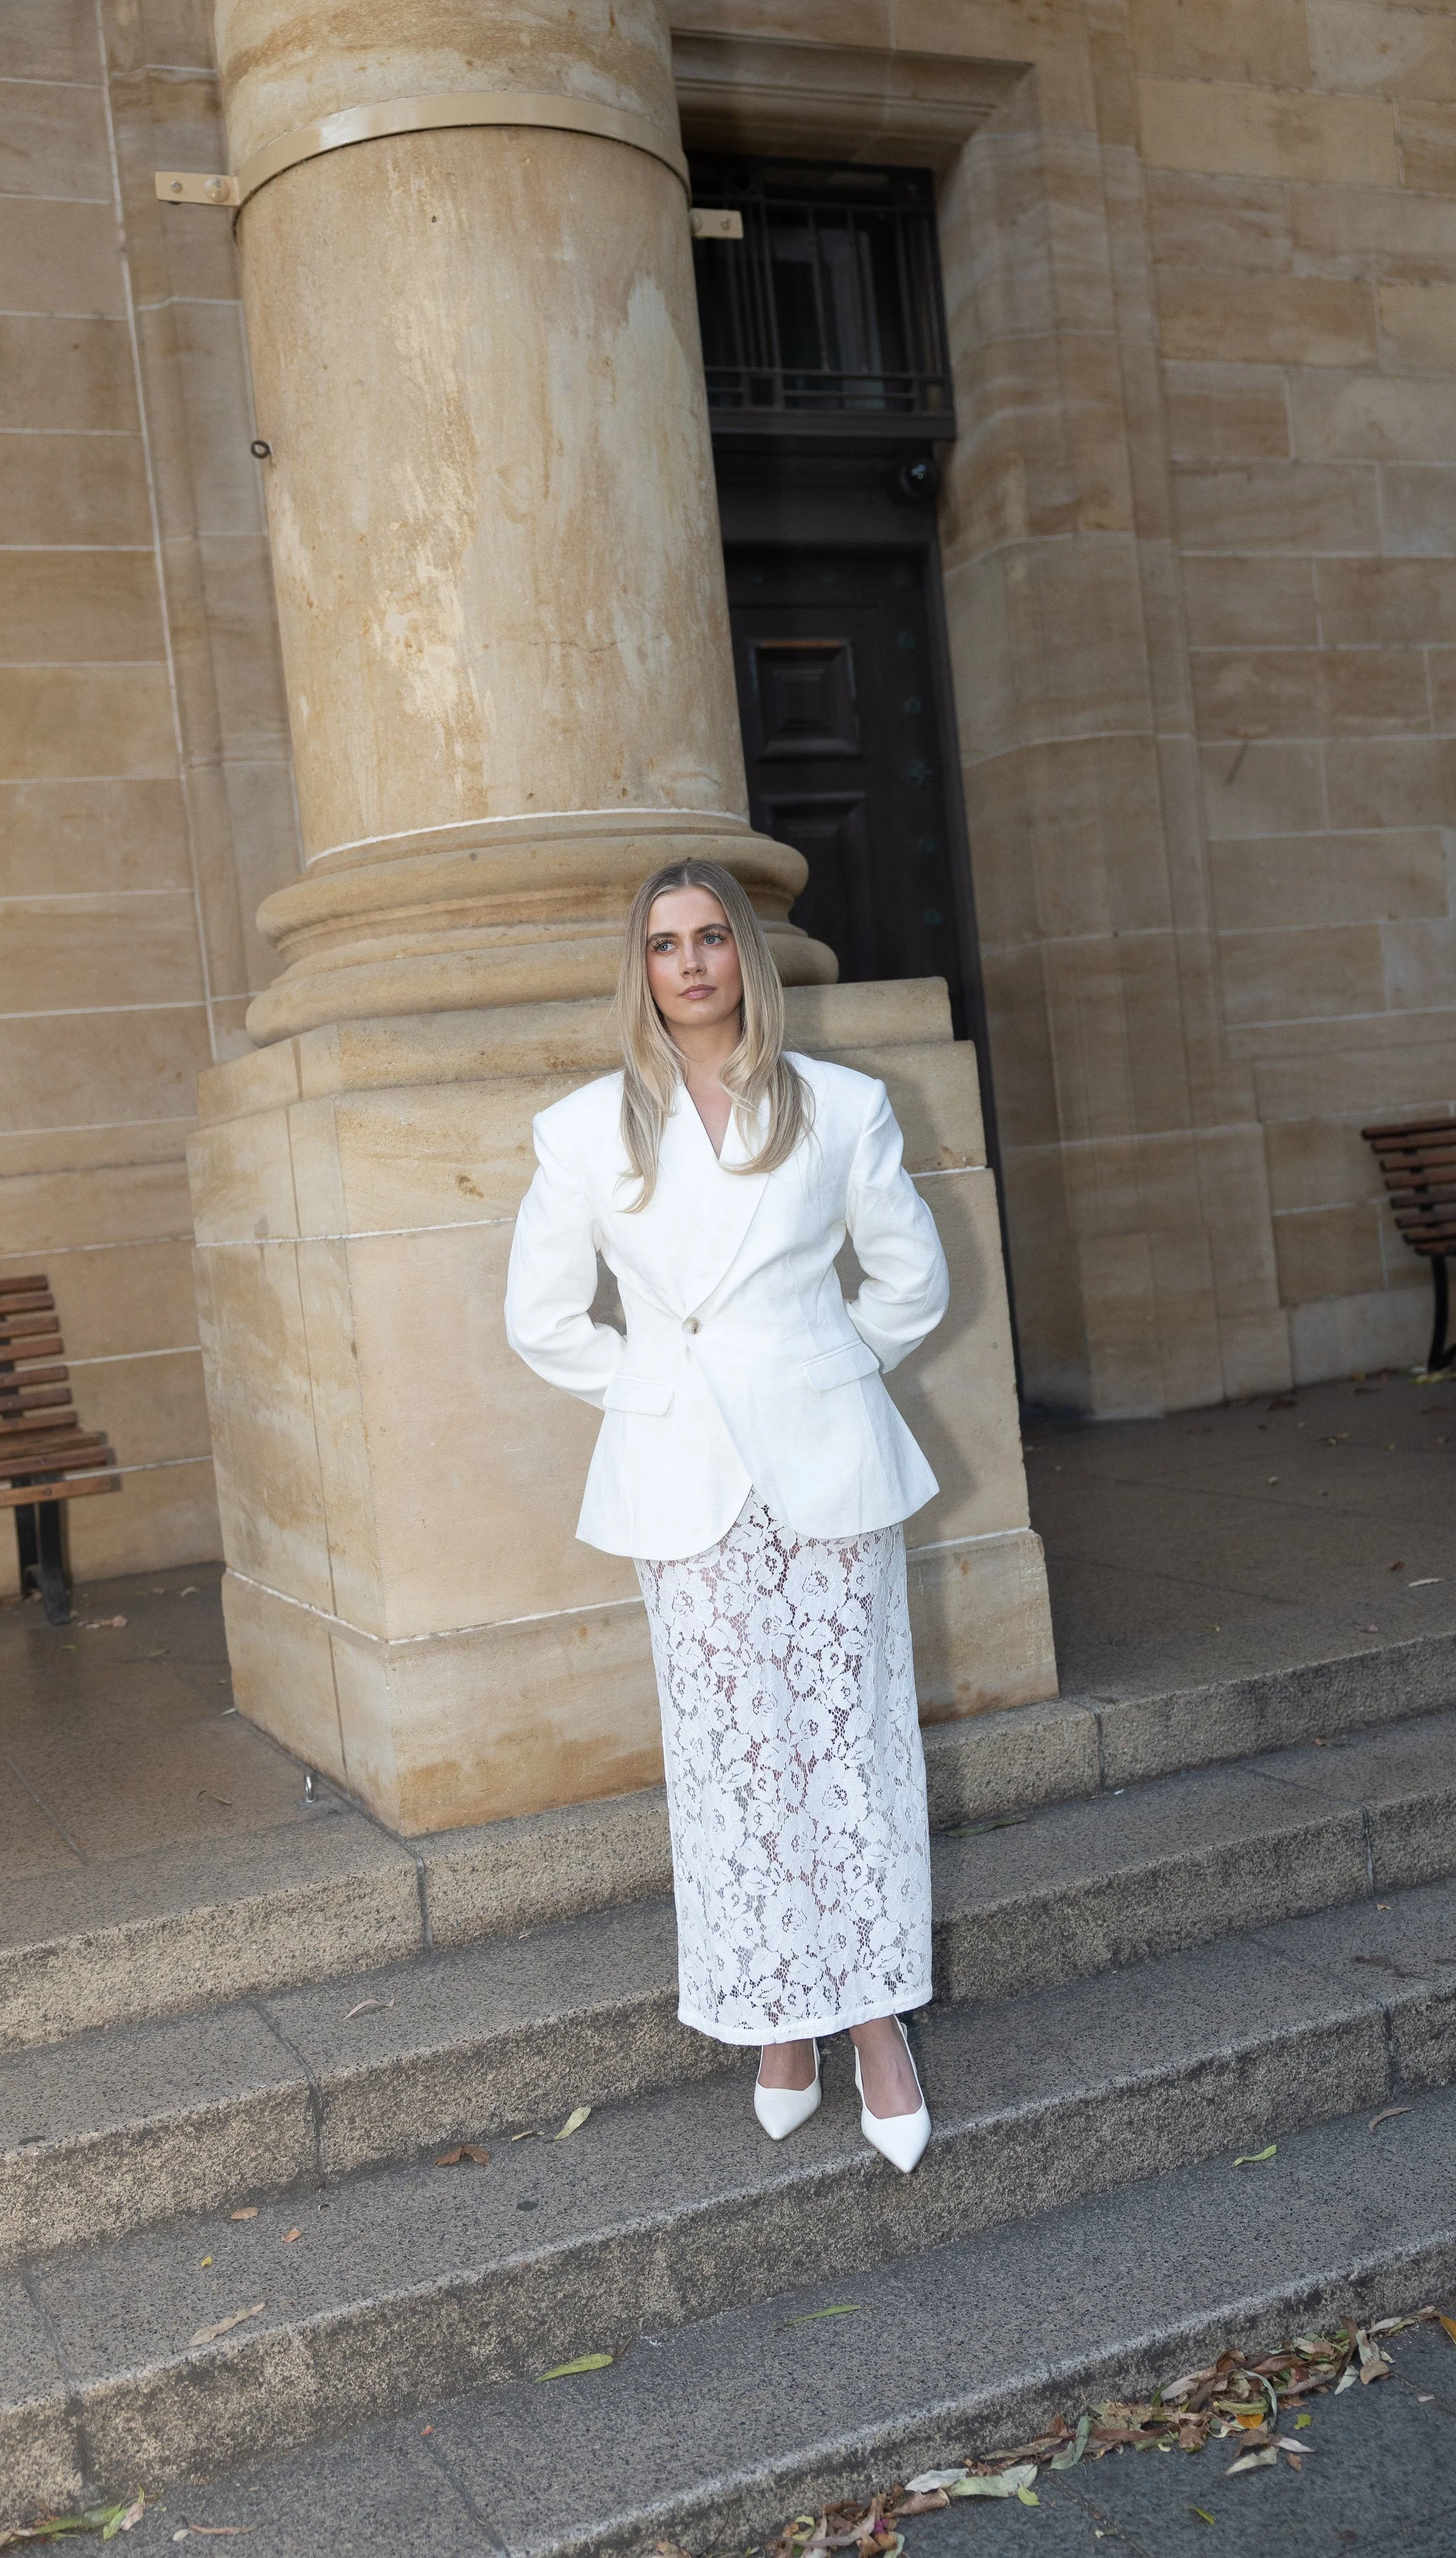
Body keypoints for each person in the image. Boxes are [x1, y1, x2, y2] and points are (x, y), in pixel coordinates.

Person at [504, 857, 949, 2172]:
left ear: (742, 957)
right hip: (683, 1484)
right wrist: (661, 1387)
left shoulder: (846, 1108)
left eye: (709, 937)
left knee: (851, 1752)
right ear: (638, 971)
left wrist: (814, 1367)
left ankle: (875, 2026)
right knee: (732, 1769)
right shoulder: (585, 1129)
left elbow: (909, 1283)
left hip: (826, 1470)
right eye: (662, 944)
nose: (688, 962)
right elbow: (540, 1320)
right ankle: (774, 2022)